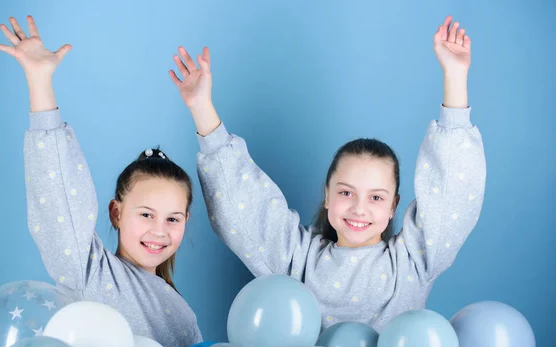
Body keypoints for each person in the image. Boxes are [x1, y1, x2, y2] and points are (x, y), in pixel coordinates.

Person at [170, 16, 485, 331]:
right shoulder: (299, 260)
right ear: (327, 195)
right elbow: (241, 211)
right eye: (346, 192)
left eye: (376, 197)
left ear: (393, 207)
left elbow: (452, 194)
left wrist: (455, 76)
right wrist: (201, 108)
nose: (359, 208)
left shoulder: (413, 261)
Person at [0, 15, 202, 347]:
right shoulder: (91, 273)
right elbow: (60, 202)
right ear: (116, 213)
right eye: (146, 214)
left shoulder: (182, 313)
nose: (159, 231)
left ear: (186, 222)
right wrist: (40, 81)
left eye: (173, 218)